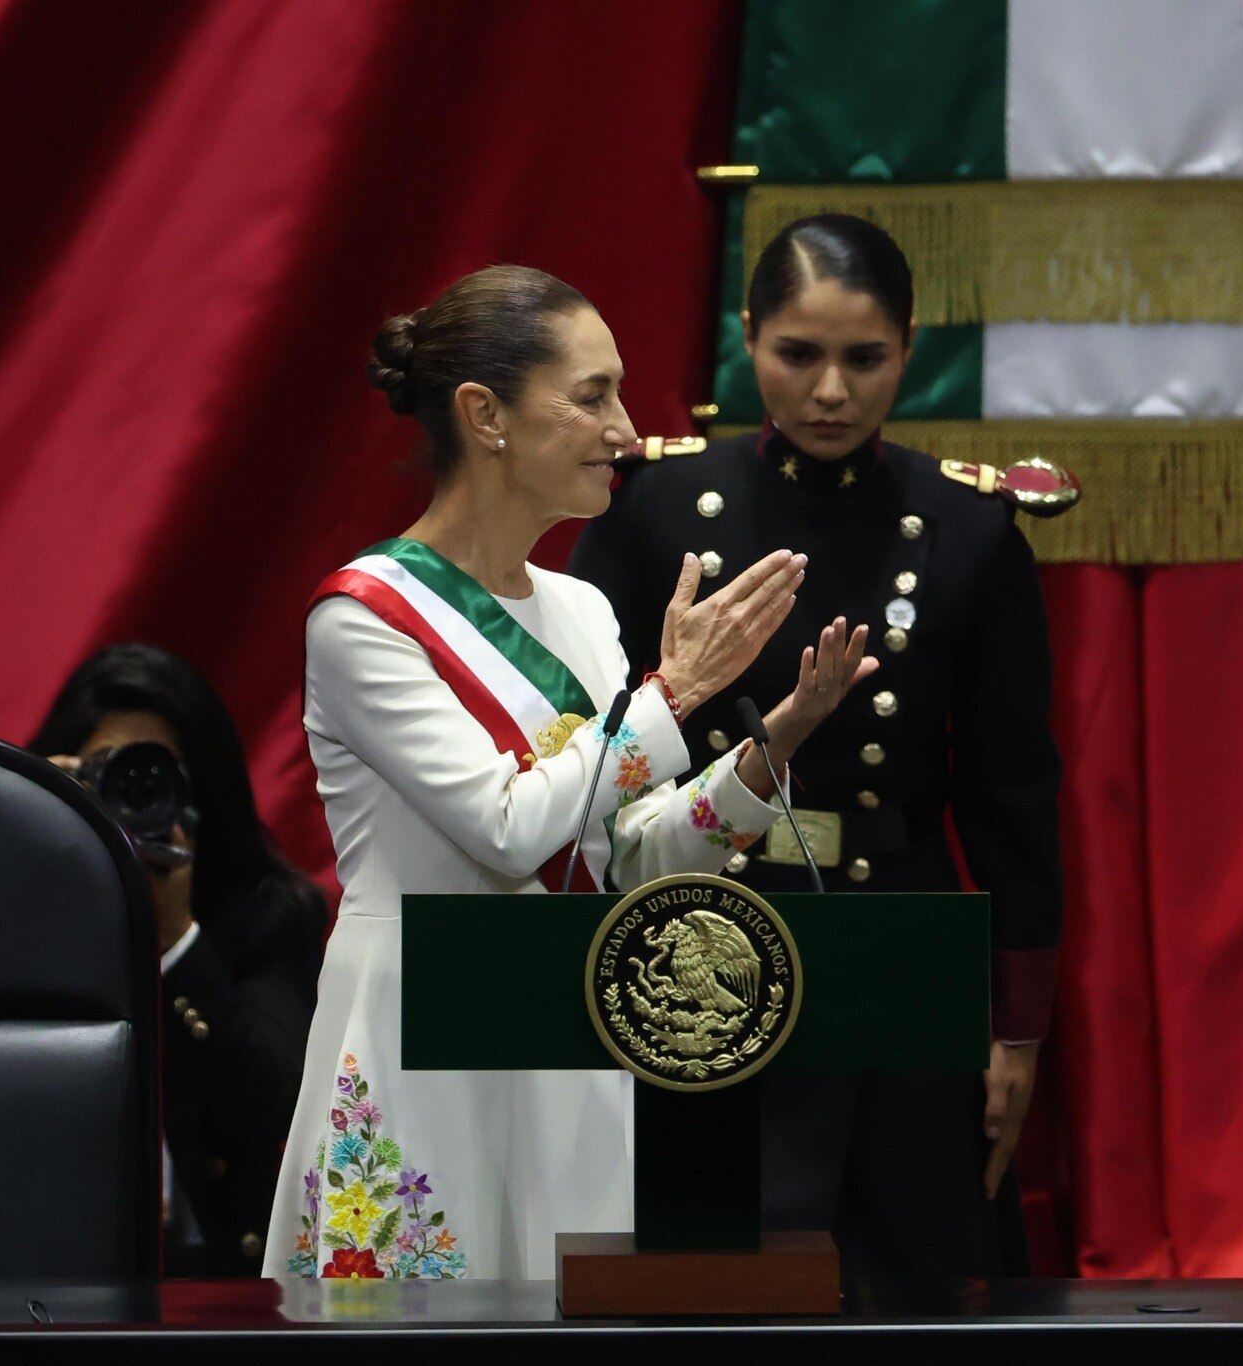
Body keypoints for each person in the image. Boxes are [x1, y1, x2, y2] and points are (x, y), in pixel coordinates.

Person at [265, 265, 875, 1282]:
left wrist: (768, 750)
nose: (626, 431)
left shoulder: (582, 611)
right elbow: (508, 830)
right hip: (420, 1023)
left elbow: (627, 856)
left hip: (564, 1024)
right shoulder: (362, 618)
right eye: (591, 397)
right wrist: (671, 693)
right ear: (483, 414)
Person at [568, 214, 1064, 1282]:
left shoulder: (968, 529)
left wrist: (1014, 1030)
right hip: (698, 936)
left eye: (863, 358)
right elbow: (594, 758)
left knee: (905, 1270)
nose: (830, 390)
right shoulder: (655, 507)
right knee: (702, 1273)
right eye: (798, 354)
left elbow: (1012, 801)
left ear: (910, 347)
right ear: (746, 340)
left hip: (895, 931)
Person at [31, 644, 327, 1276]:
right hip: (54, 1261)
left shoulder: (269, 915)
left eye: (152, 775)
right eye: (102, 771)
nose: (127, 796)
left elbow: (271, 1105)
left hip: (216, 1271)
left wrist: (176, 936)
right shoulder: (20, 918)